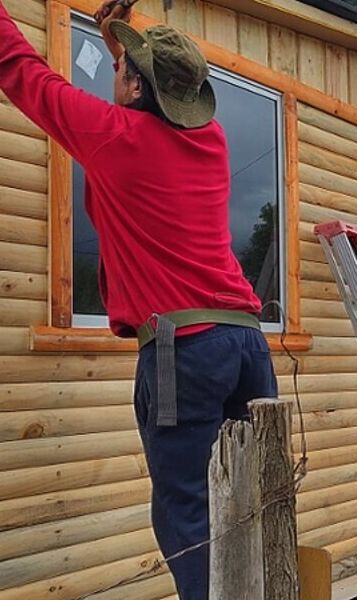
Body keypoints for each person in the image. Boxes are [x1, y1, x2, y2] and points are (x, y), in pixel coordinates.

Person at [0, 2, 278, 598]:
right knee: (254, 501)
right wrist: (122, 53)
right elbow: (155, 96)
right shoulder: (213, 140)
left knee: (188, 517)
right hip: (246, 344)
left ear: (132, 90)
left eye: (124, 70)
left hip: (187, 353)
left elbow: (22, 69)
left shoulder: (116, 137)